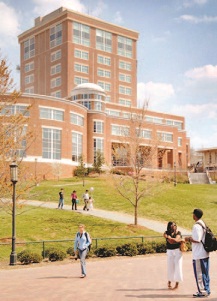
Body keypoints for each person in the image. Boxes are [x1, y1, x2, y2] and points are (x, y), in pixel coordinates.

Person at [185, 209, 210, 298]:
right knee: (205, 273)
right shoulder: (203, 223)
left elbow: (197, 239)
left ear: (195, 215)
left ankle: (202, 291)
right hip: (204, 252)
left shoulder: (196, 226)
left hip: (199, 254)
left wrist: (188, 239)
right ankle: (206, 289)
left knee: (199, 273)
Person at [163, 221, 183, 290]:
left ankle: (177, 283)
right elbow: (171, 242)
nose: (174, 226)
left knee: (178, 267)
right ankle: (169, 281)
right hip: (170, 251)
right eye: (172, 225)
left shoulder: (178, 232)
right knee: (170, 267)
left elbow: (176, 240)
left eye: (174, 225)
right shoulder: (166, 232)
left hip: (177, 251)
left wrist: (170, 238)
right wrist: (173, 239)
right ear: (169, 226)